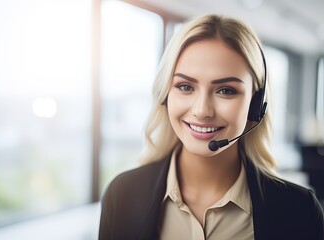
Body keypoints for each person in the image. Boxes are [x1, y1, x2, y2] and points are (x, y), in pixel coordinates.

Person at [99, 14, 324, 240]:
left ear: (256, 105)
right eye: (185, 86)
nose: (202, 110)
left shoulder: (301, 211)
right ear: (166, 95)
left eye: (226, 90)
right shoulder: (122, 194)